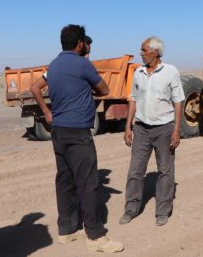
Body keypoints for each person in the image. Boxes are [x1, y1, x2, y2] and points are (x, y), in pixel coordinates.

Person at [31, 25, 123, 253]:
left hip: (58, 132)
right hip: (78, 132)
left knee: (65, 181)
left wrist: (47, 112)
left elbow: (34, 88)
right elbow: (104, 88)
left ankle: (67, 230)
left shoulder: (53, 65)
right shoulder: (83, 64)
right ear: (80, 43)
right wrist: (88, 94)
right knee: (88, 183)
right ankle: (95, 236)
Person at [119, 36, 185, 226]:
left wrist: (177, 129)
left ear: (155, 52)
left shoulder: (170, 72)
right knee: (135, 170)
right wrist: (128, 126)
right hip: (141, 129)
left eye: (144, 50)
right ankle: (131, 209)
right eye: (141, 50)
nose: (141, 53)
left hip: (164, 128)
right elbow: (133, 99)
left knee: (165, 170)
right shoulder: (138, 72)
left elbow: (178, 101)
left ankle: (162, 211)